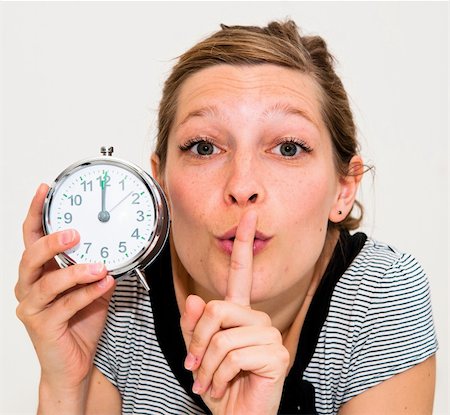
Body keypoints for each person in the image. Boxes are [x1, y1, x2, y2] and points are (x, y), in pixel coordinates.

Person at [16, 20, 437, 415]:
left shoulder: (378, 295)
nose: (242, 184)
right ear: (160, 183)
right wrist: (64, 386)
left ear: (344, 189)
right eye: (203, 147)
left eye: (288, 148)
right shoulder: (117, 297)